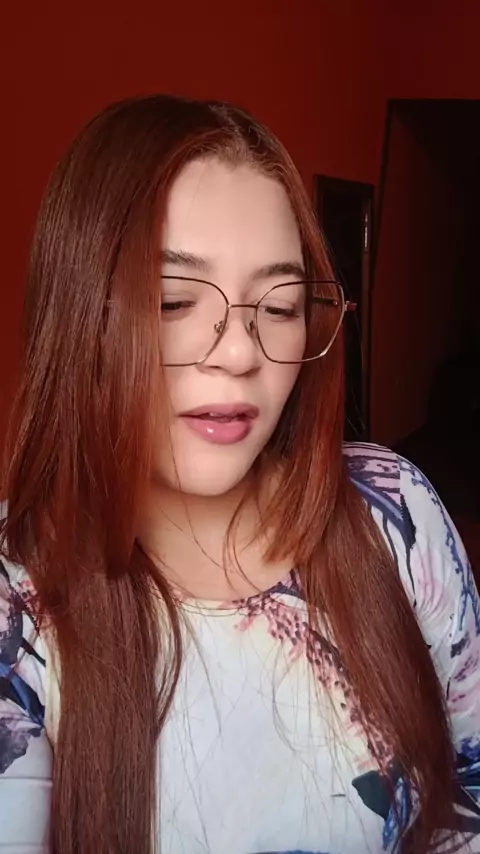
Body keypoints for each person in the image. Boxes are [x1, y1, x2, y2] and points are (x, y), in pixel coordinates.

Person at [0, 95, 479, 854]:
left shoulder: (394, 515)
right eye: (172, 301)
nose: (239, 353)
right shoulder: (17, 596)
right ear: (77, 313)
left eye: (280, 306)